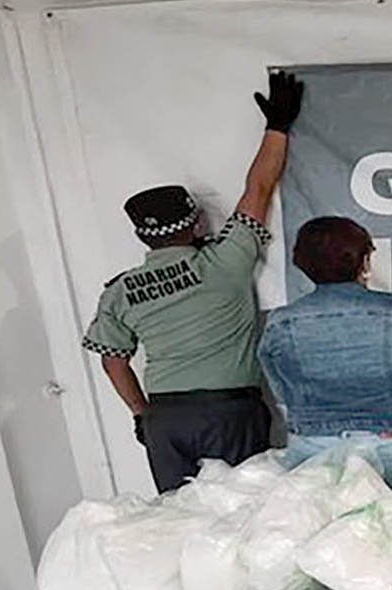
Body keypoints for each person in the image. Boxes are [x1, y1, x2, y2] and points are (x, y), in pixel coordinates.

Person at [83, 71, 304, 493]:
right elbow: (259, 188)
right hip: (229, 411)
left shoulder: (120, 291)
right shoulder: (225, 260)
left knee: (179, 516)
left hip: (166, 418)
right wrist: (277, 126)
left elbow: (113, 362)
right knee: (249, 511)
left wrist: (141, 414)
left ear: (142, 237)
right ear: (198, 223)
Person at [258, 216, 392, 494]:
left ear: (302, 264)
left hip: (316, 450)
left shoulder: (281, 322)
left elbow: (282, 391)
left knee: (321, 523)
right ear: (364, 260)